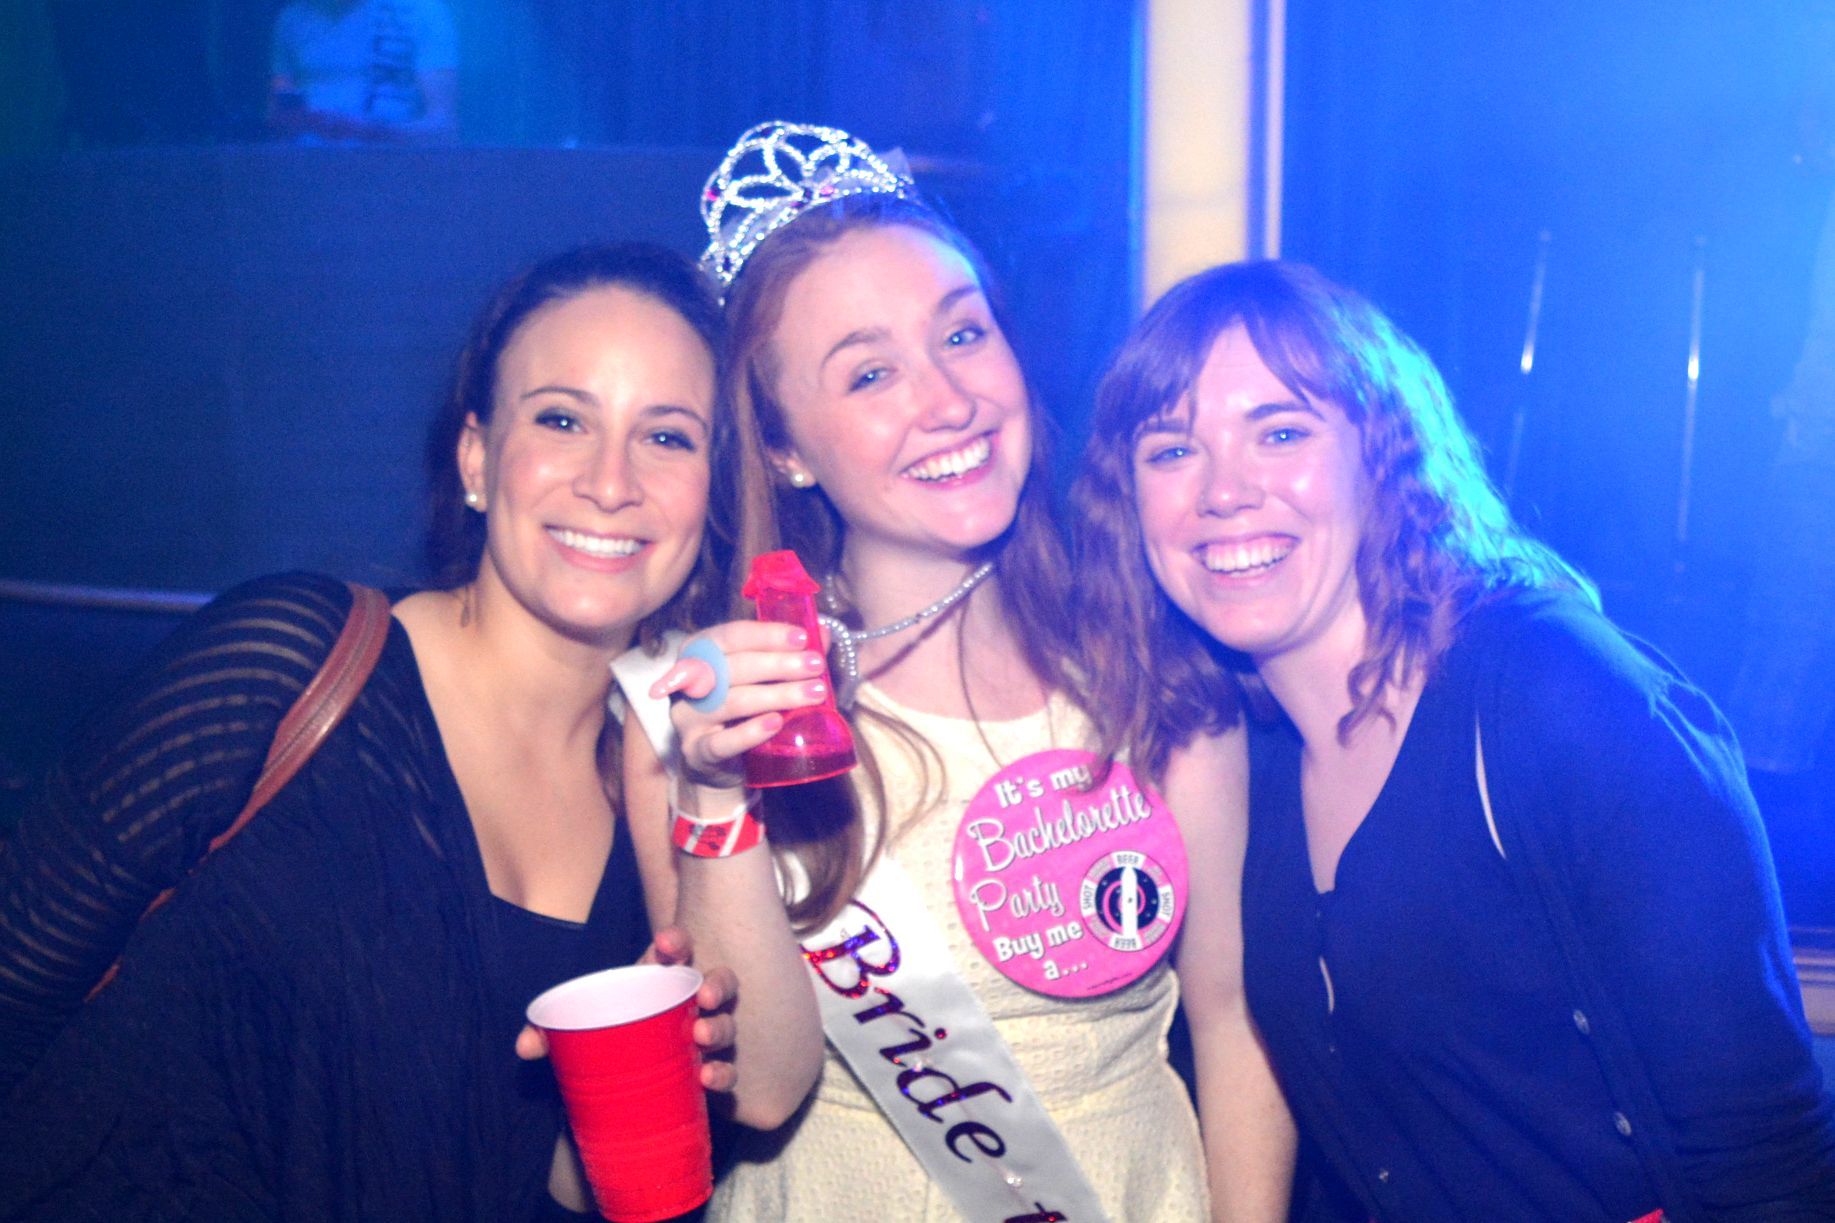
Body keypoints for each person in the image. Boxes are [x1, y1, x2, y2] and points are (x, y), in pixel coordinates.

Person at [0, 243, 809, 1220]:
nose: (610, 481)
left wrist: (611, 1099)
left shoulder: (646, 786)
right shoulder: (289, 662)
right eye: (561, 418)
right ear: (475, 457)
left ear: (711, 490)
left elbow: (530, 1172)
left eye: (666, 437)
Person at [619, 121, 1293, 1221]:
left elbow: (1228, 1019)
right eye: (870, 372)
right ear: (783, 447)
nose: (946, 401)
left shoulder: (1151, 657)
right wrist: (714, 794)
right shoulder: (709, 711)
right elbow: (761, 1088)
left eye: (963, 334)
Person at [1075, 258, 1835, 1220]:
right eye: (1172, 450)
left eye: (1280, 431)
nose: (1223, 491)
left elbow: (1765, 1160)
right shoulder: (1246, 757)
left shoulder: (1557, 696)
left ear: (1380, 453)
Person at [268, 0, 458, 145]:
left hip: (393, 170)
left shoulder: (423, 11)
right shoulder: (292, 18)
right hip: (305, 168)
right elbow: (278, 117)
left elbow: (444, 129)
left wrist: (372, 132)